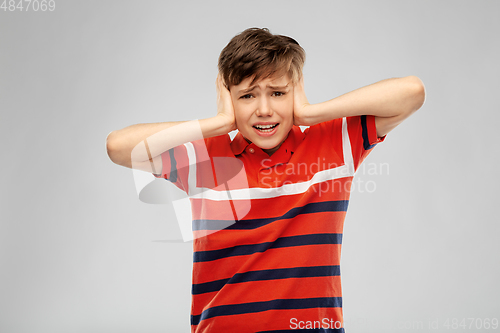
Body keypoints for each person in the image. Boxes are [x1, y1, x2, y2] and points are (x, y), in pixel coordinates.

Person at [106, 27, 425, 332]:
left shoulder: (332, 145)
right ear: (228, 97)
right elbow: (118, 147)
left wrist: (312, 113)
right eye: (247, 96)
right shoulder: (205, 158)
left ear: (295, 91)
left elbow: (412, 92)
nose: (264, 109)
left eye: (277, 93)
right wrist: (218, 123)